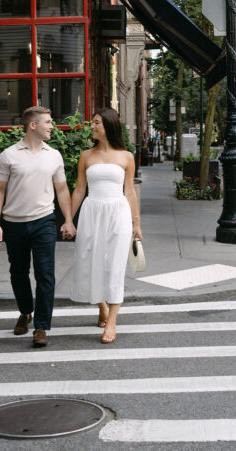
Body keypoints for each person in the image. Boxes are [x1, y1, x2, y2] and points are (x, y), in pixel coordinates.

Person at [0, 106, 75, 348]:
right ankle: (26, 311)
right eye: (47, 122)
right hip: (14, 223)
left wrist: (68, 219)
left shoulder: (54, 155)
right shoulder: (9, 155)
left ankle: (41, 326)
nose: (51, 126)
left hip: (44, 221)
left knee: (45, 274)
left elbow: (62, 189)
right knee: (18, 273)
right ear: (32, 125)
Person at [68, 108, 142, 344]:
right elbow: (79, 189)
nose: (92, 126)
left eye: (97, 123)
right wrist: (69, 219)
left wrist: (136, 224)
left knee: (114, 266)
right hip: (92, 211)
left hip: (118, 212)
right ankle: (101, 304)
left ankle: (111, 322)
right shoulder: (86, 156)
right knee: (89, 260)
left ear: (108, 125)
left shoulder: (126, 157)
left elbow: (130, 191)